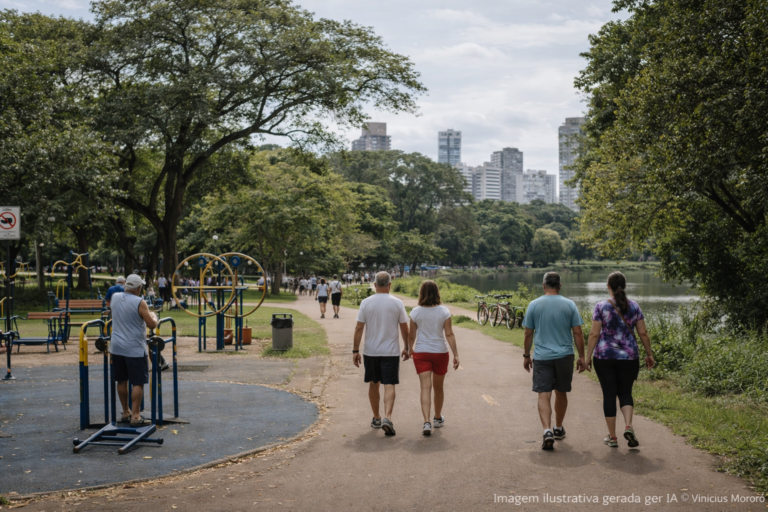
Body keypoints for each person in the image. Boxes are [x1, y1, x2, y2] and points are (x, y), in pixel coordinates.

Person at [586, 272, 655, 448]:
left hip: (604, 357)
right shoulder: (634, 306)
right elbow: (643, 333)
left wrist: (587, 357)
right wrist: (649, 354)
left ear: (608, 286)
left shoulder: (601, 306)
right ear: (624, 286)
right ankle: (629, 426)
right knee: (625, 392)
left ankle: (613, 437)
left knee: (609, 395)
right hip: (629, 357)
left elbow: (594, 334)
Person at [522, 272, 586, 450]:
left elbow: (528, 333)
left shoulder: (534, 305)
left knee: (544, 393)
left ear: (544, 285)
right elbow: (578, 332)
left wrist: (526, 356)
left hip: (542, 357)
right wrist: (582, 356)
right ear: (560, 285)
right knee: (561, 392)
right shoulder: (570, 304)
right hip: (565, 356)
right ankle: (558, 427)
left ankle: (547, 431)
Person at [352, 271, 409, 436]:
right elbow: (404, 328)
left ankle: (376, 417)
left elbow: (359, 328)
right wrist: (407, 347)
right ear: (390, 285)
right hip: (390, 352)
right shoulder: (397, 303)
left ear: (375, 284)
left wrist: (355, 351)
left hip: (371, 351)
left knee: (373, 383)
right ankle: (387, 418)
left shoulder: (366, 303)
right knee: (389, 384)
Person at [407, 280, 460, 436]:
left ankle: (426, 422)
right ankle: (437, 418)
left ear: (421, 293)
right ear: (437, 292)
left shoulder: (415, 312)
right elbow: (449, 334)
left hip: (421, 352)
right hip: (440, 352)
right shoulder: (444, 311)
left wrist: (410, 348)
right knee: (438, 387)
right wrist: (456, 354)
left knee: (425, 387)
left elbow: (411, 335)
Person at [110, 274, 159, 427]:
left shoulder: (115, 297)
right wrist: (154, 316)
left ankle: (126, 411)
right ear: (138, 288)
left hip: (116, 346)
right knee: (138, 381)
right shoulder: (140, 302)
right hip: (135, 348)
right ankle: (136, 416)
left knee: (121, 379)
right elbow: (151, 324)